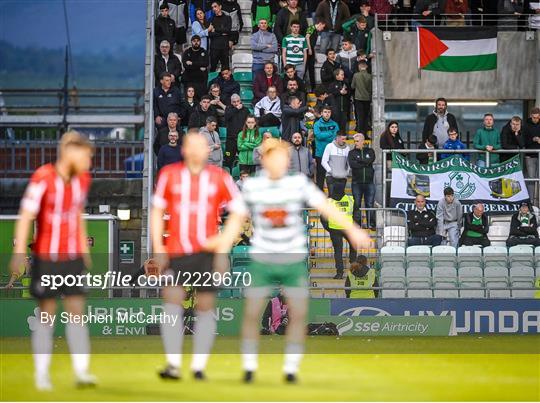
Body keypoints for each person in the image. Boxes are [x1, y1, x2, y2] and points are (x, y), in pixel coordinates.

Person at [209, 138, 370, 384]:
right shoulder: (253, 186)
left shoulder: (298, 183)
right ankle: (250, 365)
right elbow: (236, 218)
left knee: (298, 313)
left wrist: (354, 230)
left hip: (292, 255)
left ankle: (291, 367)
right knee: (252, 312)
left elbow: (326, 207)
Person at [151, 130, 245, 381]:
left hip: (207, 252)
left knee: (205, 307)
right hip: (176, 250)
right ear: (184, 150)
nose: (195, 150)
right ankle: (172, 364)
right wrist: (159, 250)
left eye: (200, 145)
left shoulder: (220, 177)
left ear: (208, 150)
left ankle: (198, 366)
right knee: (172, 302)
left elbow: (239, 212)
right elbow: (156, 213)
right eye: (190, 145)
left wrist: (224, 246)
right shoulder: (169, 175)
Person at [9, 131, 96, 390]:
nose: (88, 161)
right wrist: (18, 254)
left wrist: (84, 248)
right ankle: (41, 374)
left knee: (77, 315)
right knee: (47, 315)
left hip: (72, 259)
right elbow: (26, 215)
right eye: (85, 156)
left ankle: (81, 372)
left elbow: (78, 213)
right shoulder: (43, 178)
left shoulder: (83, 179)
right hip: (47, 257)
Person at [320, 179, 357, 279]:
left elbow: (322, 218)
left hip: (335, 229)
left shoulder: (329, 201)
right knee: (353, 247)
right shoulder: (350, 199)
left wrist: (329, 228)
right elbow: (356, 214)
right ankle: (353, 268)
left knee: (338, 252)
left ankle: (340, 273)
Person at [348, 133, 375, 229]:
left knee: (370, 203)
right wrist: (364, 163)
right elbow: (353, 165)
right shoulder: (351, 153)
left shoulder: (370, 151)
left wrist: (359, 161)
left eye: (358, 141)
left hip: (369, 182)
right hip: (356, 183)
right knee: (357, 204)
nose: (356, 143)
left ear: (363, 141)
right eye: (355, 141)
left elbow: (371, 160)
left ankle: (371, 224)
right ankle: (357, 224)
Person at [313, 106, 340, 189]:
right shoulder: (317, 124)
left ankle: (332, 196)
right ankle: (320, 196)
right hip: (320, 154)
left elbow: (336, 137)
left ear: (331, 113)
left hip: (332, 154)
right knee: (320, 176)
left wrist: (325, 135)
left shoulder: (334, 124)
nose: (327, 114)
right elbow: (318, 136)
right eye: (325, 112)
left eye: (329, 112)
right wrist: (330, 133)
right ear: (321, 113)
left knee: (332, 176)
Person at [224, 94, 250, 170]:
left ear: (240, 101)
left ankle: (244, 176)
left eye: (238, 101)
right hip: (230, 140)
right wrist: (236, 109)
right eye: (234, 102)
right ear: (231, 102)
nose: (236, 103)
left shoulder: (245, 110)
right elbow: (226, 117)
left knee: (243, 160)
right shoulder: (228, 109)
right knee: (228, 159)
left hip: (242, 139)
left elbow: (250, 122)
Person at [322, 132, 350, 196]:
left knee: (341, 198)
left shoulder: (347, 148)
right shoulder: (329, 146)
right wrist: (331, 171)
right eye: (342, 139)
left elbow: (348, 162)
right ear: (337, 138)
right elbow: (323, 161)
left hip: (343, 177)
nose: (344, 141)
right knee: (332, 198)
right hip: (331, 177)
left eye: (345, 139)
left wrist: (347, 172)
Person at [182, 35, 210, 100]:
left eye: (198, 41)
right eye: (194, 41)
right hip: (189, 79)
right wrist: (199, 66)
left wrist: (192, 63)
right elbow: (185, 66)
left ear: (200, 42)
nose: (196, 42)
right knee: (189, 100)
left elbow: (206, 63)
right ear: (191, 42)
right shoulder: (187, 52)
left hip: (201, 80)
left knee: (201, 99)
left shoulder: (204, 52)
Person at [208, 1, 232, 71]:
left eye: (215, 6)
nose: (214, 9)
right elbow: (209, 34)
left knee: (226, 69)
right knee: (212, 68)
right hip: (214, 48)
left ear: (220, 7)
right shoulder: (210, 19)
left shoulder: (228, 18)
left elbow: (228, 30)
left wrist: (215, 29)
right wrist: (222, 33)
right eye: (212, 7)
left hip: (224, 47)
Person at [523, 107, 540, 205]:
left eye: (537, 118)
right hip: (530, 155)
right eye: (534, 117)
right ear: (531, 116)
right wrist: (532, 139)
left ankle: (538, 202)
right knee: (531, 179)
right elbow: (523, 142)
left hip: (539, 154)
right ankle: (531, 203)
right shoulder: (526, 126)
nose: (535, 119)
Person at [327, 68, 350, 135]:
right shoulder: (332, 85)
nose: (343, 76)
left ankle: (343, 139)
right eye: (341, 75)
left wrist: (346, 92)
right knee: (335, 125)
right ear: (337, 76)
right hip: (335, 109)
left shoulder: (345, 83)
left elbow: (349, 93)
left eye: (343, 75)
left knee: (343, 125)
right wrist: (339, 92)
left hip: (344, 109)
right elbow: (331, 93)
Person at [351, 61, 371, 135]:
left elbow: (352, 86)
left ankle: (360, 133)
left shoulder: (356, 75)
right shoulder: (370, 76)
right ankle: (365, 134)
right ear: (366, 67)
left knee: (360, 117)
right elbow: (370, 89)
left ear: (359, 67)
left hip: (358, 99)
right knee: (366, 117)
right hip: (367, 99)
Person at [305, 20, 325, 92]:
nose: (322, 29)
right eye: (322, 27)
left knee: (311, 69)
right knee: (305, 69)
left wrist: (315, 55)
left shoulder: (316, 31)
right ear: (320, 23)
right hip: (307, 50)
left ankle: (313, 88)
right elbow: (307, 37)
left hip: (312, 50)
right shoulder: (311, 27)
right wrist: (309, 48)